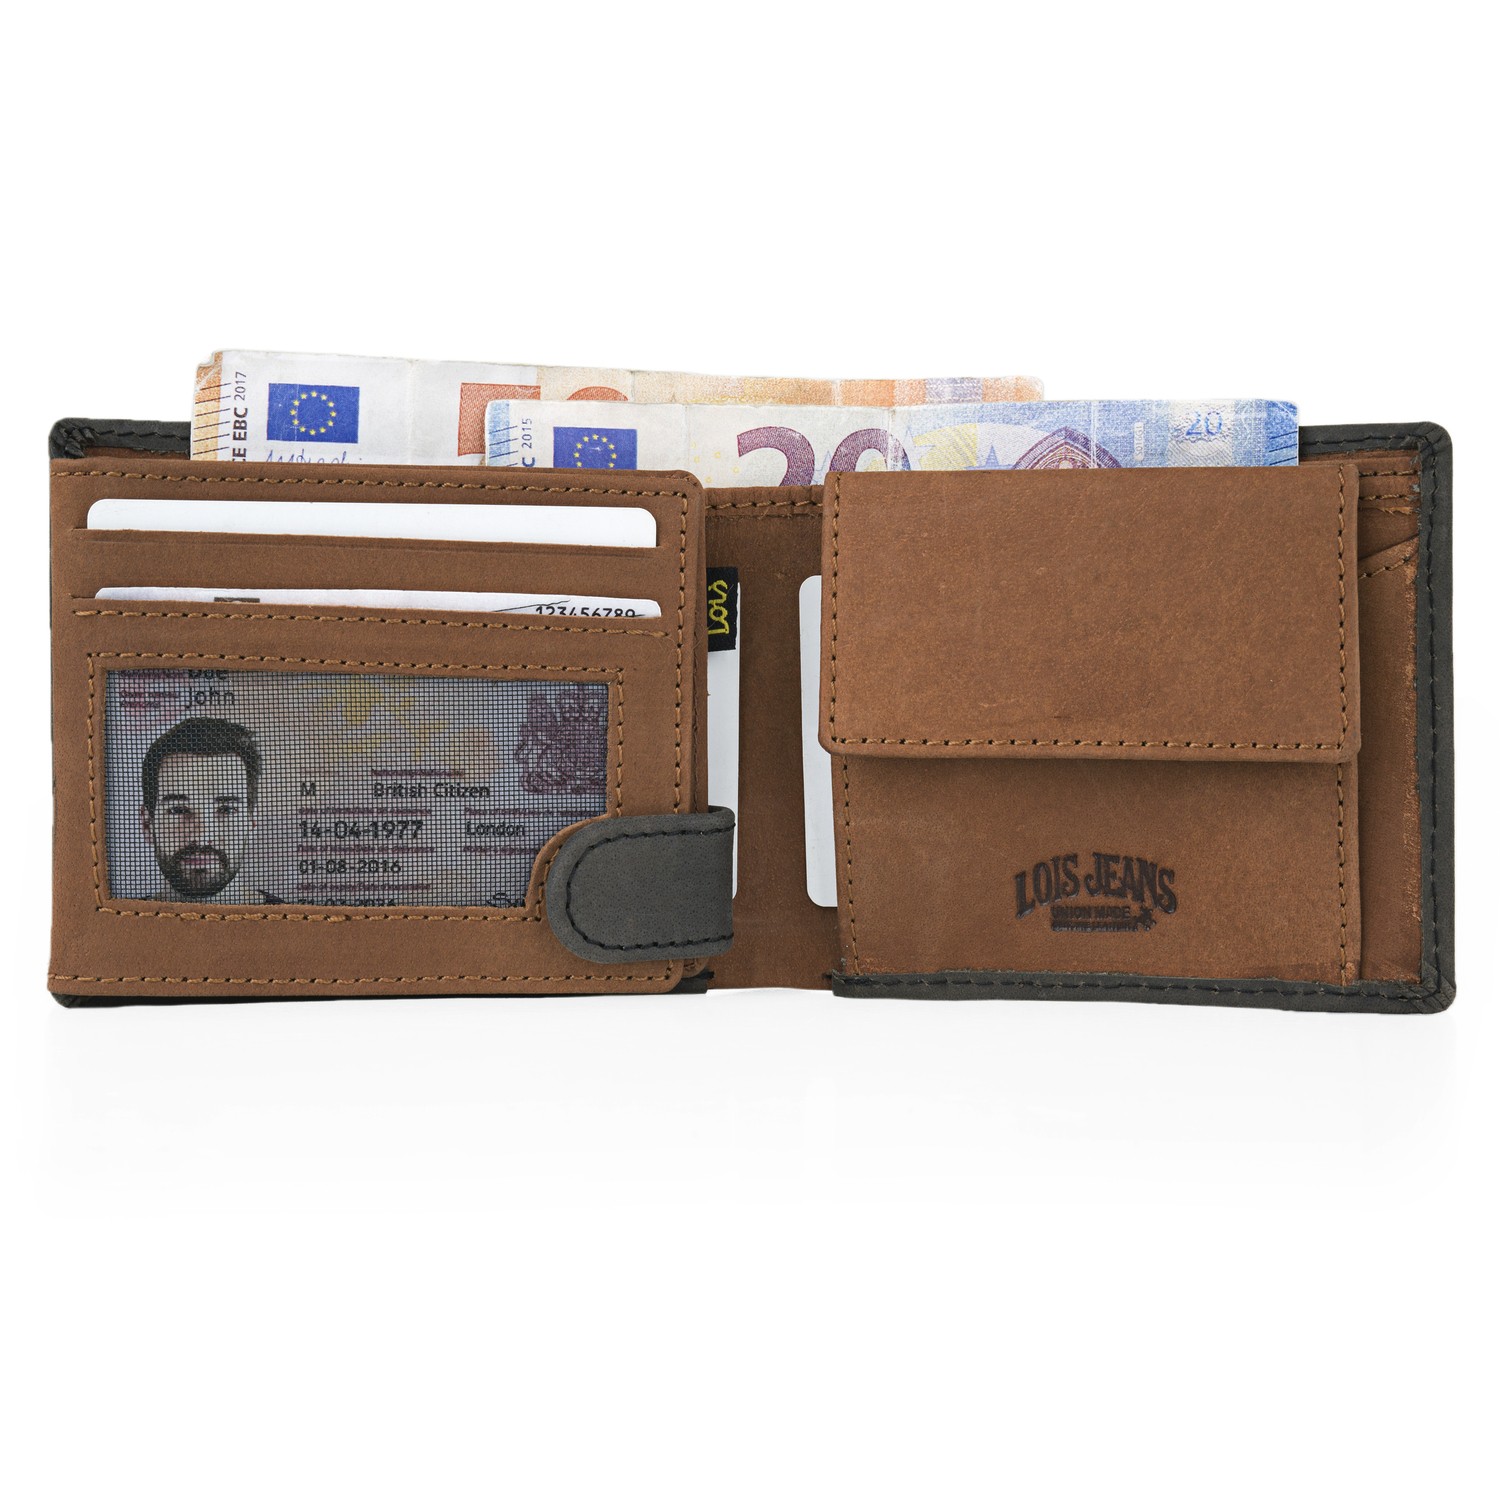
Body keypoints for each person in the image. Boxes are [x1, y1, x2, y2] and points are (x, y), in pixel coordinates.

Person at [138, 717, 283, 902]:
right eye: (178, 810)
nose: (202, 837)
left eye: (226, 810)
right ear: (147, 824)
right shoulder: (118, 919)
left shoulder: (290, 919)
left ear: (251, 822)